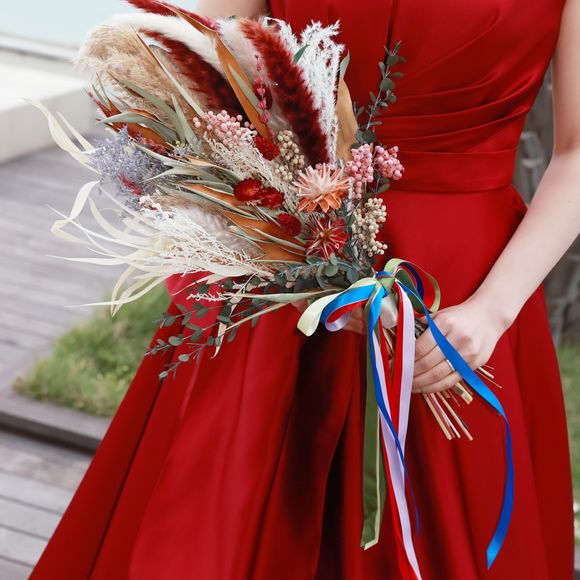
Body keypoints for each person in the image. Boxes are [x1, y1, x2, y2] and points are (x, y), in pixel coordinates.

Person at [32, 0, 578, 578]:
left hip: (460, 293)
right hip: (283, 258)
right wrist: (263, 222)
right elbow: (192, 69)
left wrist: (493, 311)